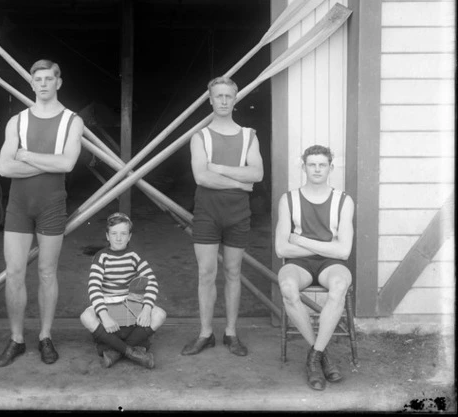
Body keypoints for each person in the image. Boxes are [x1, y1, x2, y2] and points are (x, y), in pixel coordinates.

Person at [0, 59, 84, 367]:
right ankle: (16, 339)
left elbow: (67, 164)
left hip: (52, 205)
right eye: (38, 79)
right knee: (15, 272)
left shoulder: (72, 121)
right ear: (31, 84)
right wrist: (48, 162)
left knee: (47, 272)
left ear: (58, 82)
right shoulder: (17, 121)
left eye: (49, 78)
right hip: (19, 206)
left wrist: (27, 155)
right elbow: (5, 168)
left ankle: (46, 336)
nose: (44, 84)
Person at [182, 76, 264, 357]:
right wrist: (240, 183)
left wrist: (218, 167)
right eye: (219, 96)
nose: (224, 101)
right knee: (206, 273)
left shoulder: (248, 136)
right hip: (207, 212)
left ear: (235, 99)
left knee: (233, 272)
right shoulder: (200, 136)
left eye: (229, 96)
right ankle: (205, 333)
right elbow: (201, 178)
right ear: (210, 99)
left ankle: (231, 332)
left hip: (238, 214)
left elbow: (257, 173)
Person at [275, 145, 355, 391]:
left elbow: (343, 252)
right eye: (312, 164)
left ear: (330, 168)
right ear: (304, 167)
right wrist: (324, 246)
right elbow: (281, 249)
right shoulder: (289, 199)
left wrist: (300, 240)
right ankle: (323, 355)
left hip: (332, 264)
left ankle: (314, 357)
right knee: (288, 287)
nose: (317, 169)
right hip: (298, 263)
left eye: (322, 165)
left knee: (340, 285)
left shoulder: (344, 200)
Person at [79, 212, 167, 369]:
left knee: (160, 314)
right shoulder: (101, 257)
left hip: (130, 304)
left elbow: (151, 281)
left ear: (129, 236)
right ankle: (132, 350)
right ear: (107, 236)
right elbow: (94, 286)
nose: (118, 238)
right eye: (114, 234)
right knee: (86, 316)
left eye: (123, 233)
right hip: (108, 303)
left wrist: (146, 309)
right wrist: (104, 316)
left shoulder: (134, 256)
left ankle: (114, 350)